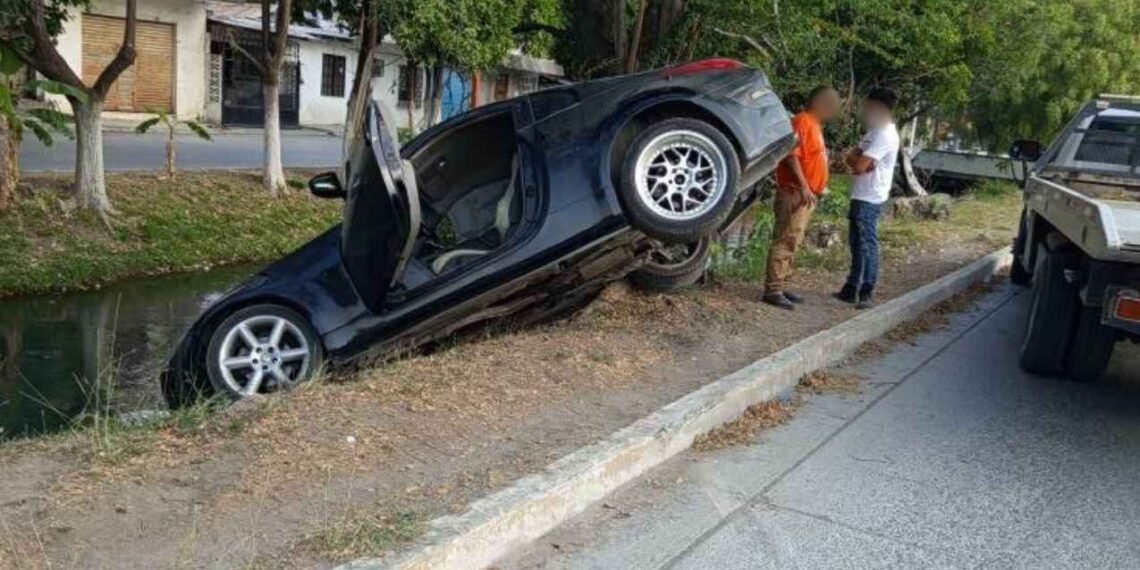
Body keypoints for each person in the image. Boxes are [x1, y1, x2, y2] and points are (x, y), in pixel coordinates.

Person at [761, 85, 841, 310]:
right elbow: (791, 155)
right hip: (795, 192)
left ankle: (783, 283)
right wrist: (805, 186)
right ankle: (773, 289)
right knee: (786, 238)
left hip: (808, 194)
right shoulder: (802, 121)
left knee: (794, 239)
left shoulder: (815, 125)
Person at [838, 87, 900, 309]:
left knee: (867, 245)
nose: (865, 110)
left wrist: (859, 161)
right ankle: (851, 288)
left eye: (869, 106)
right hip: (860, 194)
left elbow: (860, 164)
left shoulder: (885, 135)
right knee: (856, 244)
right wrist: (858, 161)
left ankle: (867, 290)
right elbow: (851, 158)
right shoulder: (873, 132)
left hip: (871, 197)